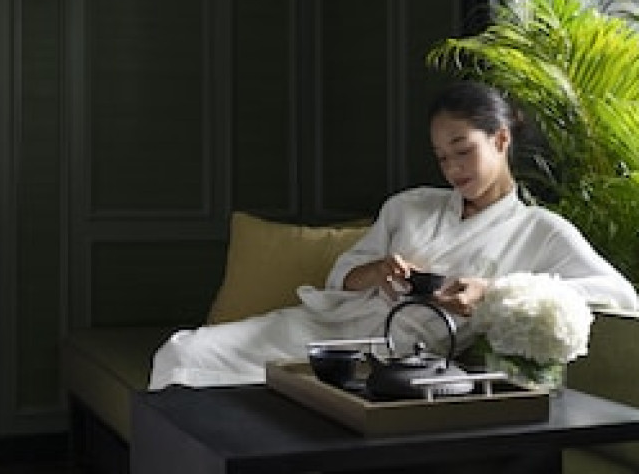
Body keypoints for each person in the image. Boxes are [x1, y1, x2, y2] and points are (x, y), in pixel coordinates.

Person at [148, 80, 639, 390]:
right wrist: (377, 271)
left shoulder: (539, 231)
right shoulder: (409, 205)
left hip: (398, 362)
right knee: (184, 351)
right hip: (326, 333)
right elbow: (341, 276)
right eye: (441, 157)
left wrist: (492, 293)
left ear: (501, 139)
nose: (452, 168)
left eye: (463, 150)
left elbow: (619, 295)